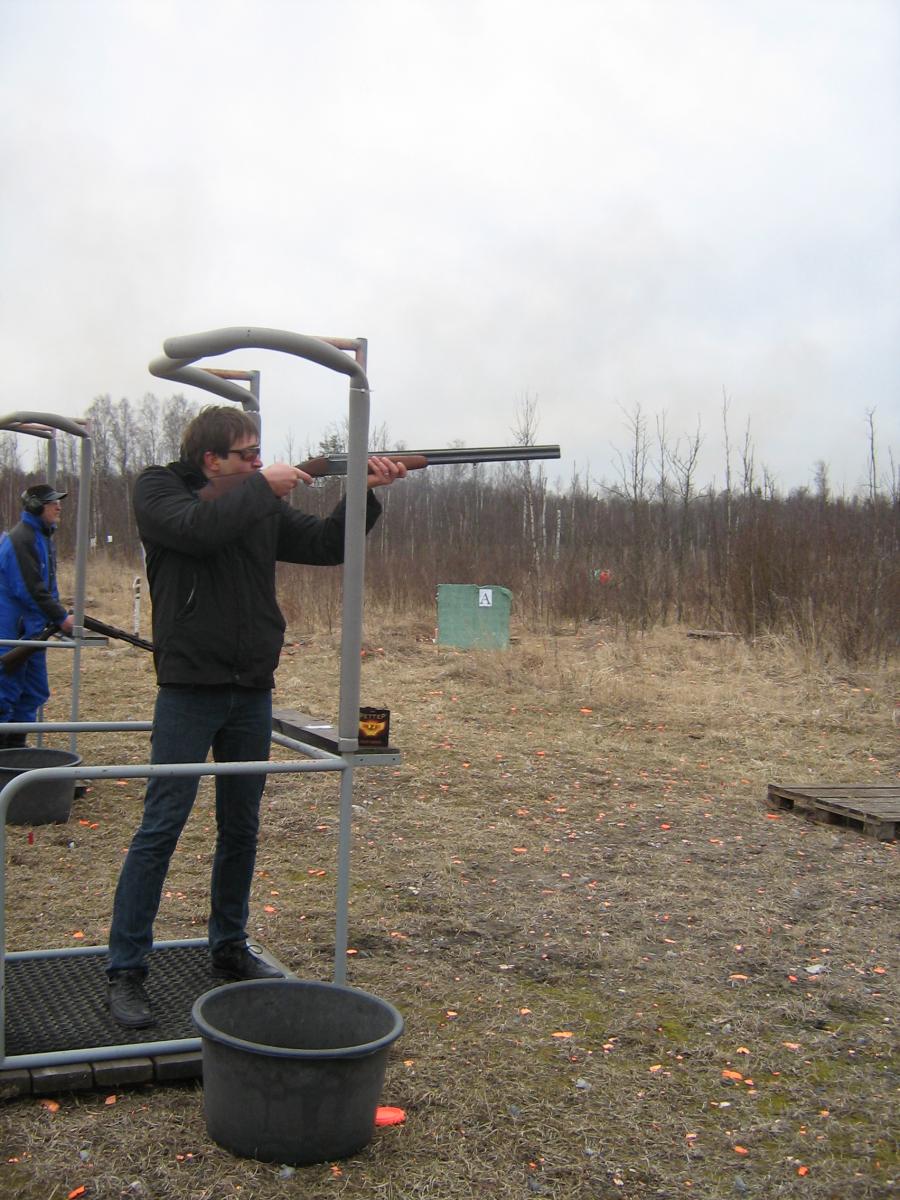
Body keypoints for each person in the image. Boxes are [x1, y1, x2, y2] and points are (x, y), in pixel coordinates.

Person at [106, 406, 405, 1028]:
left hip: (251, 688)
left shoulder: (254, 502)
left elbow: (326, 545)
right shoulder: (160, 488)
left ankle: (229, 947)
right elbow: (196, 530)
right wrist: (262, 488)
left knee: (241, 828)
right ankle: (126, 969)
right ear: (210, 459)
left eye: (259, 454)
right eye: (247, 455)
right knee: (161, 828)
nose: (258, 462)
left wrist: (362, 493)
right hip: (189, 688)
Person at [0, 484, 75, 747]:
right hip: (13, 631)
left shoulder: (40, 537)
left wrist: (55, 616)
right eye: (51, 503)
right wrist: (61, 617)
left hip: (31, 630)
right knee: (5, 694)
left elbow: (46, 587)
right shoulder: (21, 539)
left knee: (32, 693)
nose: (58, 507)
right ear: (34, 506)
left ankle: (16, 752)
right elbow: (29, 589)